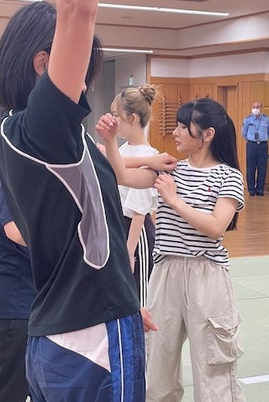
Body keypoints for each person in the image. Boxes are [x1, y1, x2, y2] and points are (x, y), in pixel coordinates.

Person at [0, 1, 173, 400]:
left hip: (65, 331)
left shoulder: (34, 136)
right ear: (44, 63)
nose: (85, 87)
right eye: (83, 74)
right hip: (91, 341)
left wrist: (121, 297)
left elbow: (92, 208)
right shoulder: (43, 129)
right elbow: (78, 10)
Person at [96, 97, 246, 402]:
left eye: (182, 126)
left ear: (207, 134)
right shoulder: (170, 170)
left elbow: (216, 227)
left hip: (207, 275)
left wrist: (174, 200)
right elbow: (120, 175)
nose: (175, 132)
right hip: (165, 271)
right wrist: (111, 141)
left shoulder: (228, 175)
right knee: (158, 366)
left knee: (213, 369)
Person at [0, 167, 36, 402]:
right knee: (5, 395)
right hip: (11, 308)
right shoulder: (10, 172)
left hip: (23, 304)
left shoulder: (12, 170)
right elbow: (16, 232)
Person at [110, 85, 160, 305]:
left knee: (139, 298)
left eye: (116, 116)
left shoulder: (150, 155)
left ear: (132, 118)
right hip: (119, 226)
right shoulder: (122, 151)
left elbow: (139, 211)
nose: (113, 120)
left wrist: (130, 252)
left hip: (136, 233)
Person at [242, 100, 269, 196]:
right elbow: (244, 133)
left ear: (261, 108)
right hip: (251, 145)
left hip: (263, 145)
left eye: (257, 107)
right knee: (251, 168)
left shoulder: (266, 120)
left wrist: (263, 139)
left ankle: (260, 189)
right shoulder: (247, 120)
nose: (255, 109)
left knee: (262, 168)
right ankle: (251, 189)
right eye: (254, 107)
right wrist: (251, 140)